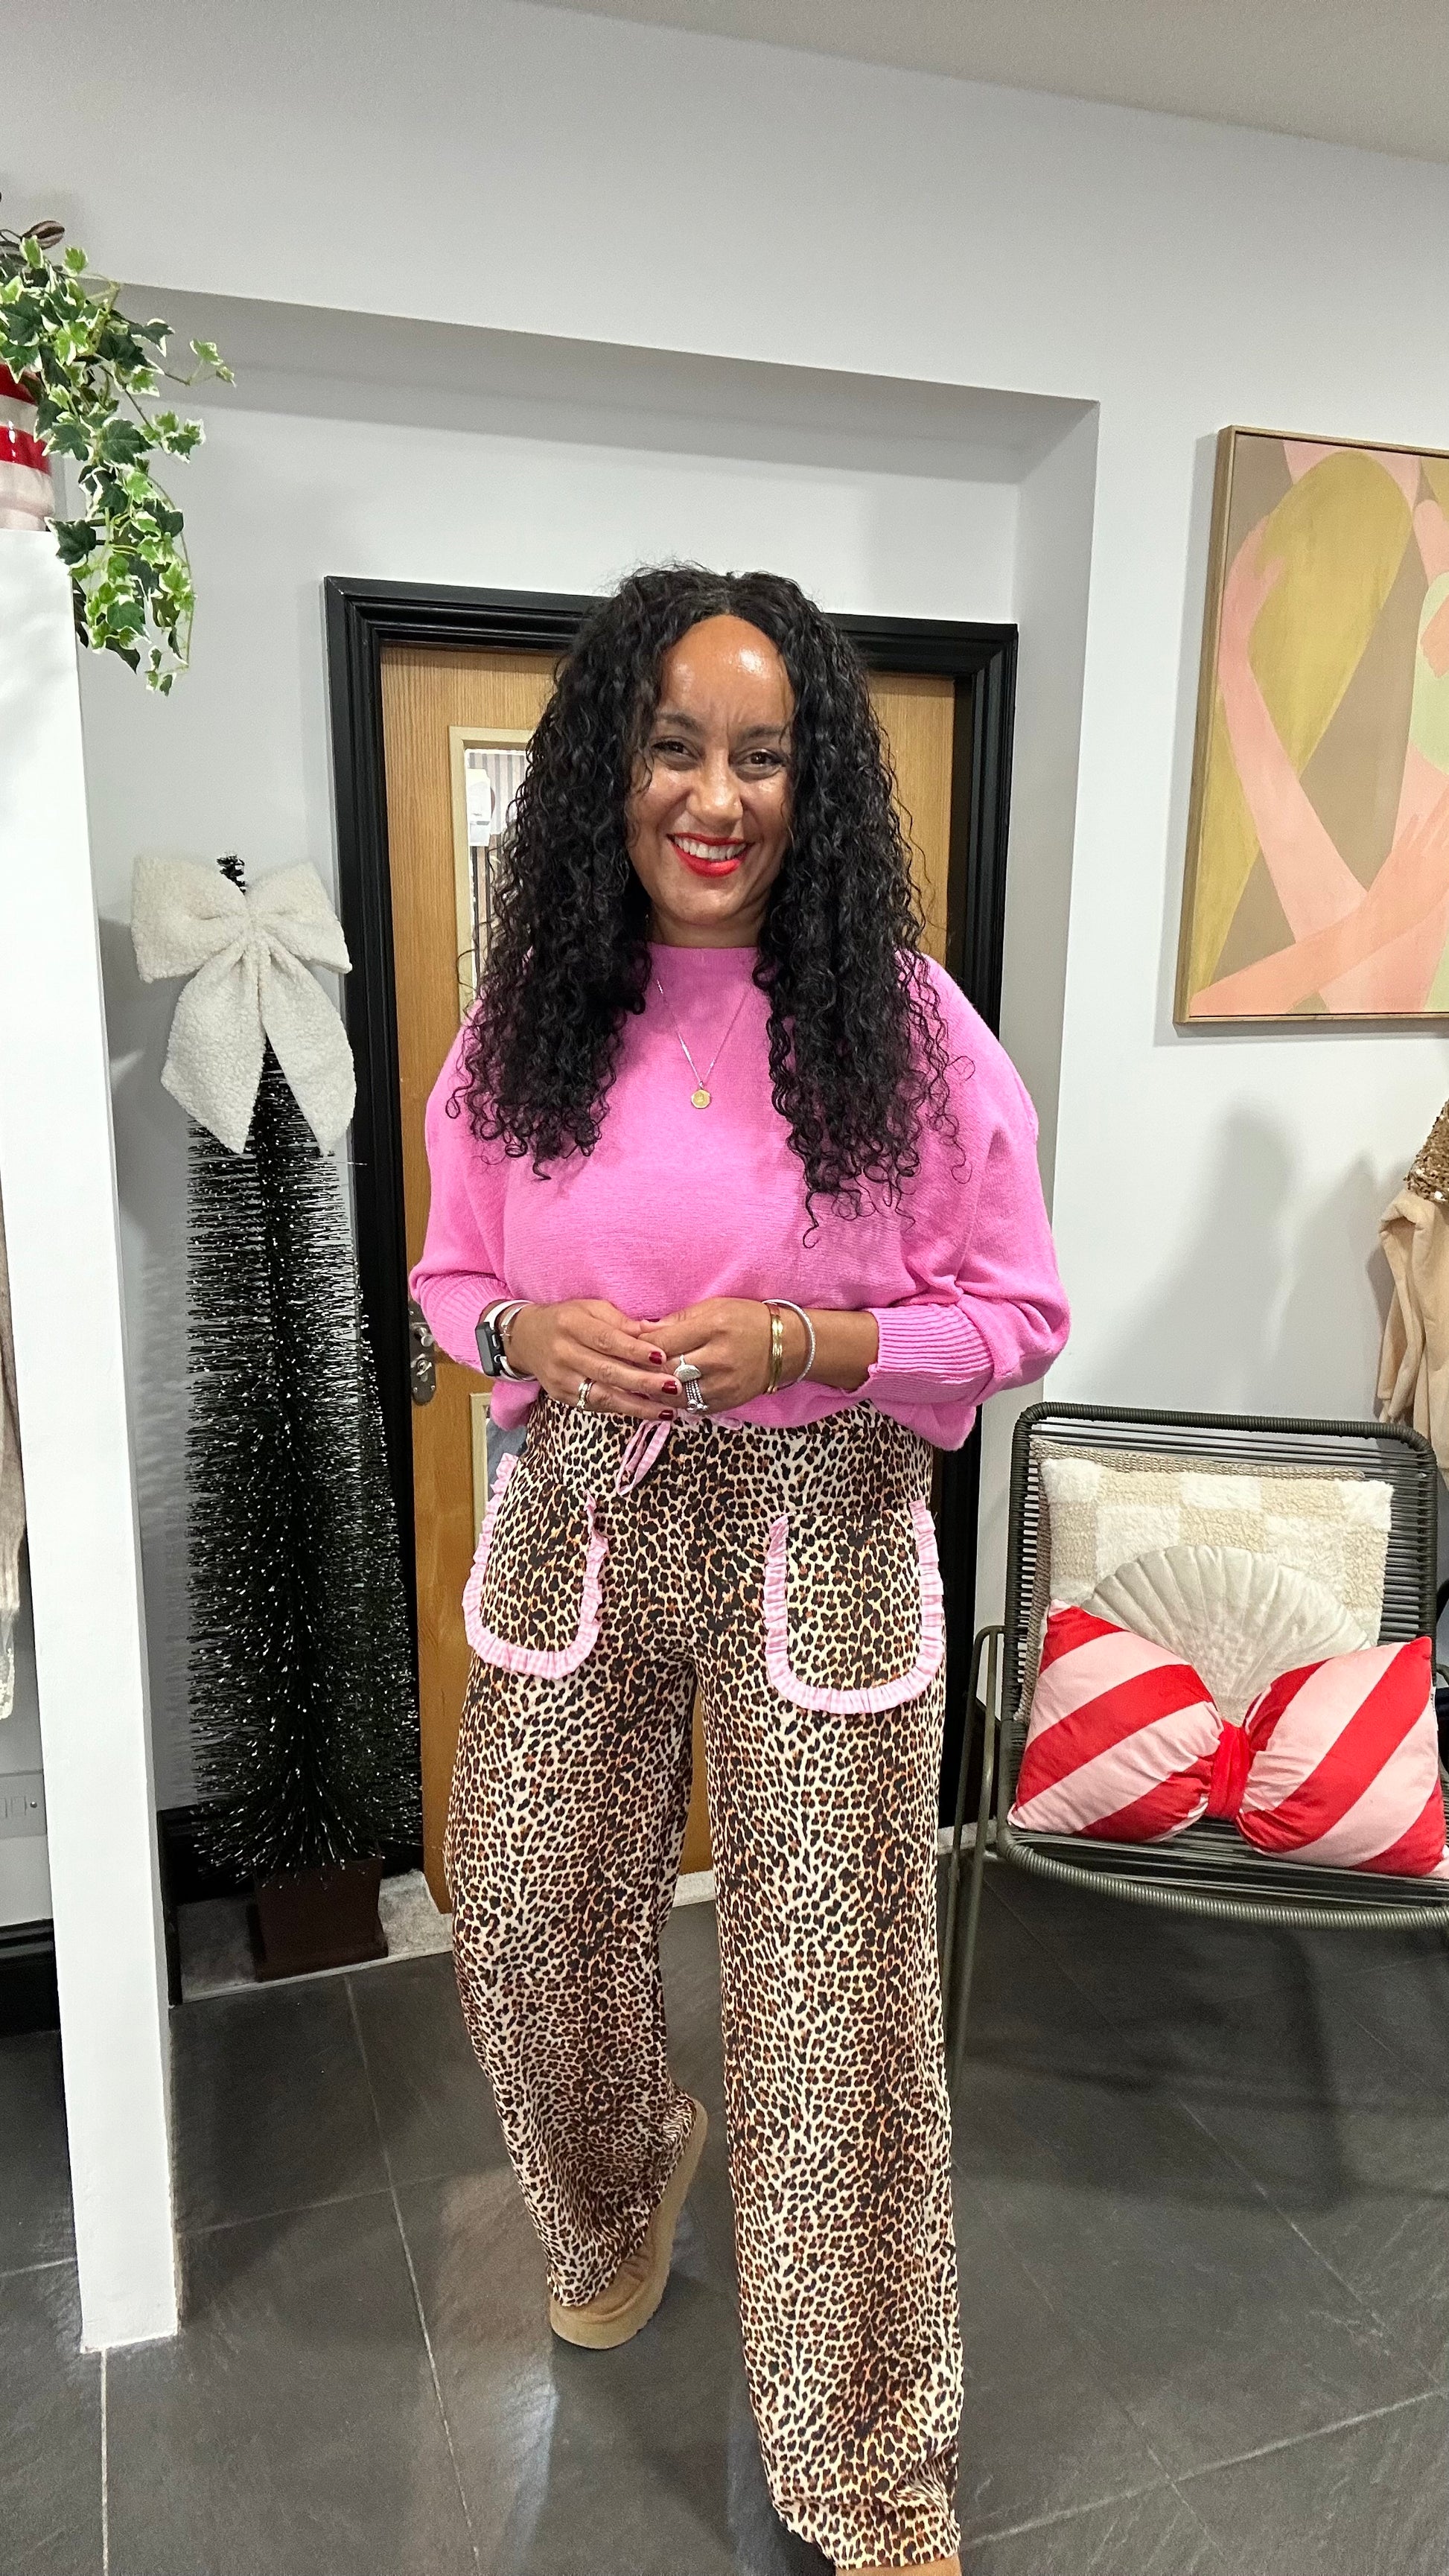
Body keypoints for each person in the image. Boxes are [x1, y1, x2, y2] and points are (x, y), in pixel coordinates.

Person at [411, 564, 1069, 2575]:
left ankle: (863, 2455)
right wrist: (518, 1332)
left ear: (817, 785)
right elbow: (450, 1277)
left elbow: (1018, 1314)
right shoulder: (528, 1023)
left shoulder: (909, 1031)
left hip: (825, 1516)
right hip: (587, 1502)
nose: (716, 797)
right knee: (520, 1900)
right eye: (676, 747)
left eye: (763, 756)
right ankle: (620, 2182)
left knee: (830, 2000)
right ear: (609, 770)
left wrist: (816, 1338)